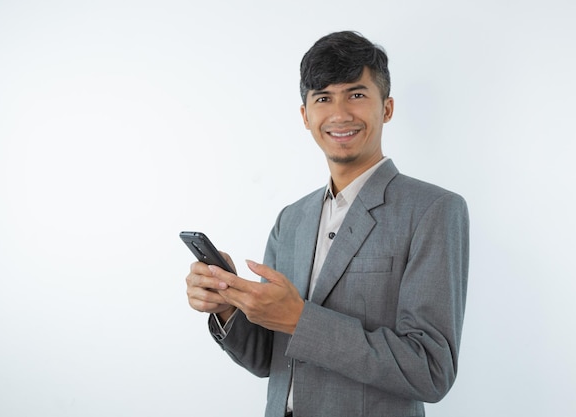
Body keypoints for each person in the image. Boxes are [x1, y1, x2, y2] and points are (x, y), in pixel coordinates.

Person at [185, 30, 469, 417]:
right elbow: (268, 359)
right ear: (305, 115)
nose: (339, 114)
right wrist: (228, 306)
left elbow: (430, 370)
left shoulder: (434, 210)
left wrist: (301, 320)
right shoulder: (292, 218)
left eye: (356, 94)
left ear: (386, 108)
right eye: (323, 98)